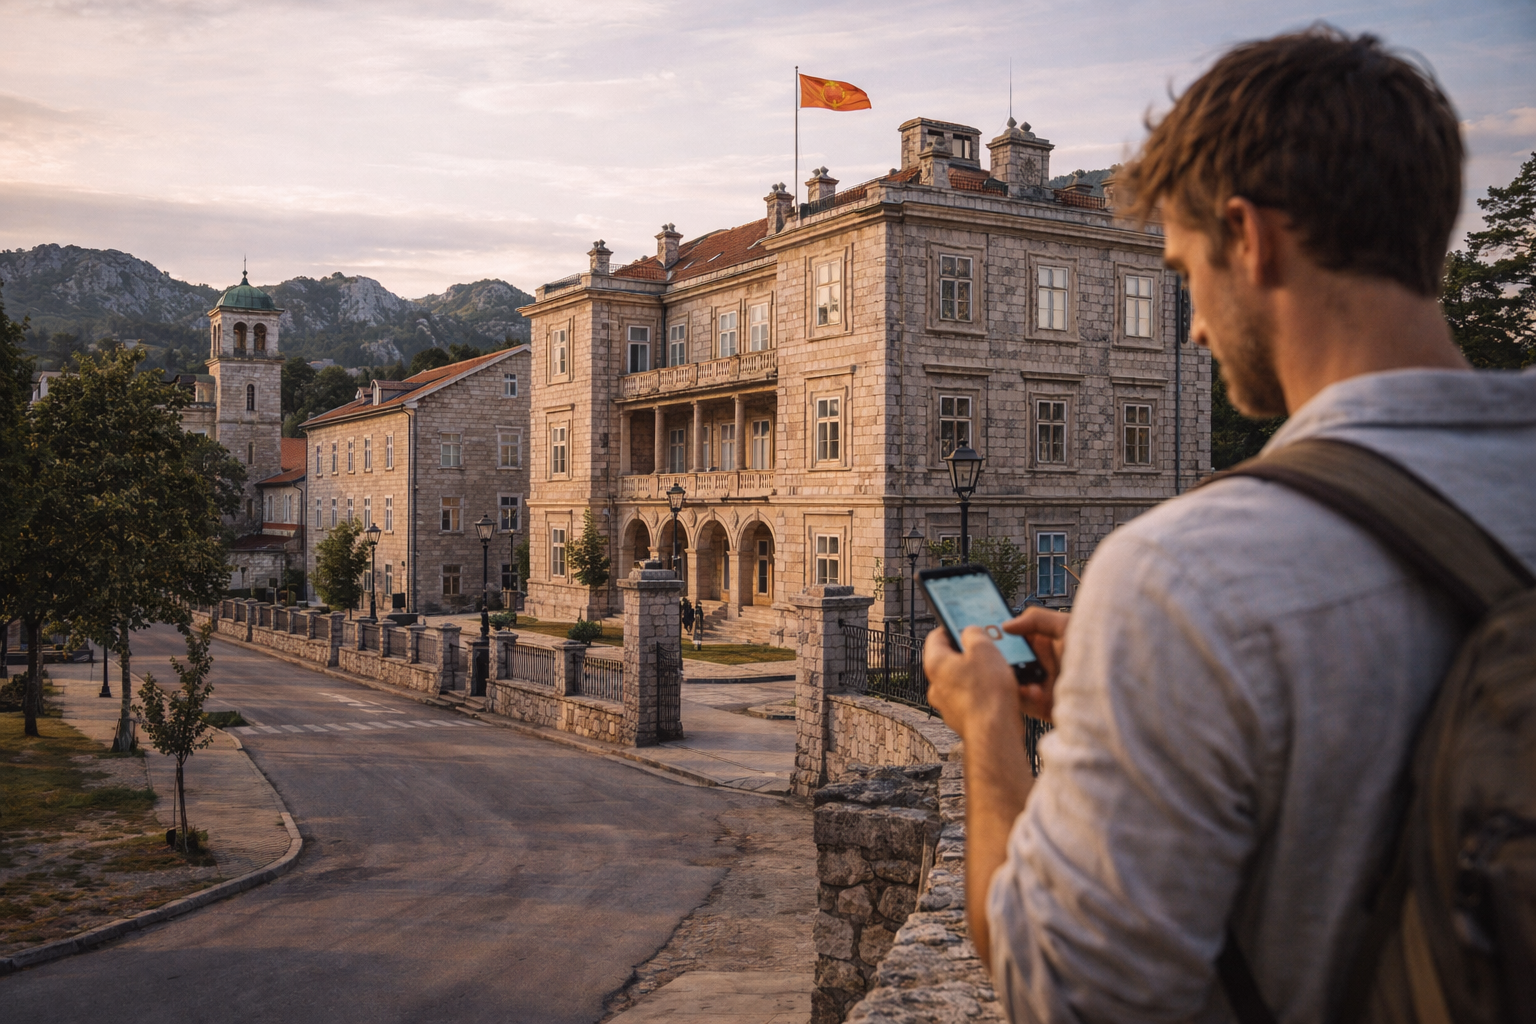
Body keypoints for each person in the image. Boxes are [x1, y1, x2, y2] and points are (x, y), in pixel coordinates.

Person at [922, 27, 1536, 1024]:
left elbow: (1066, 994)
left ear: (1250, 239)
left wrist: (990, 726)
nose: (1195, 324)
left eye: (1183, 270)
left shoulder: (1185, 577)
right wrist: (1131, 687)